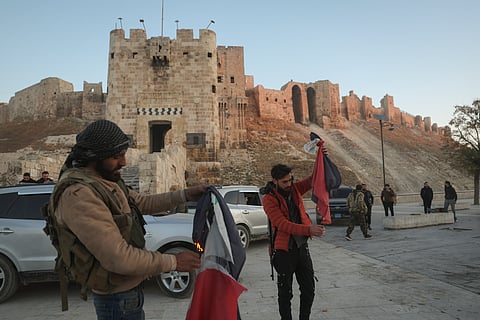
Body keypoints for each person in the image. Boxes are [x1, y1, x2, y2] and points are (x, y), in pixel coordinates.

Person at [50, 119, 204, 319]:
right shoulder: (79, 195)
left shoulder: (105, 180)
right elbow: (118, 258)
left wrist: (185, 195)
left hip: (127, 294)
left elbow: (142, 203)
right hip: (115, 300)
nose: (124, 162)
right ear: (94, 158)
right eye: (116, 157)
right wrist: (173, 262)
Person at [262, 164, 325, 320]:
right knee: (285, 294)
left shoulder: (295, 189)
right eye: (284, 182)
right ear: (274, 181)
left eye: (290, 180)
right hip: (284, 252)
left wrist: (322, 156)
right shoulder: (268, 199)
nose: (289, 184)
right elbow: (282, 224)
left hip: (302, 248)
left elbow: (314, 180)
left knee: (309, 289)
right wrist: (308, 230)